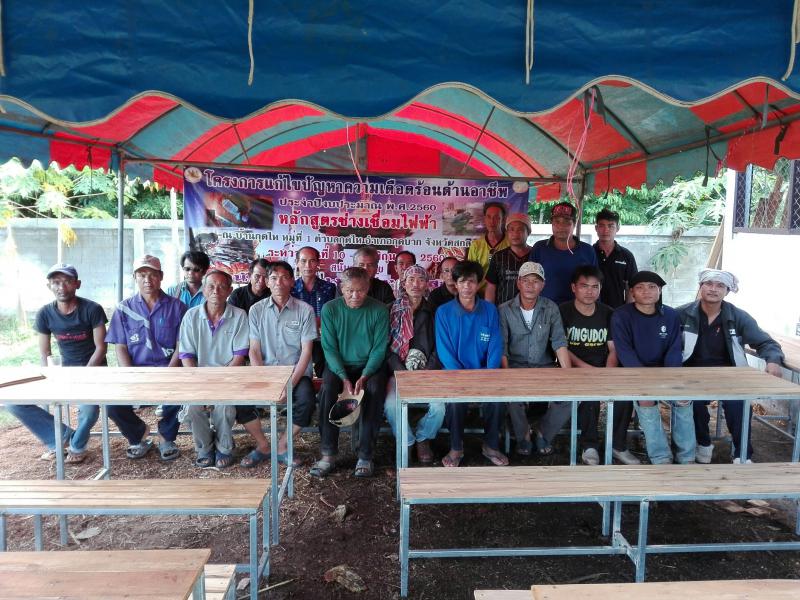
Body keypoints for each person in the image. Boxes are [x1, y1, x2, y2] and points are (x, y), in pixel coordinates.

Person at [678, 269, 785, 464]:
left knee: (739, 405)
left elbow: (766, 342)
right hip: (691, 375)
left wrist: (773, 361)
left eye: (720, 286)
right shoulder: (682, 314)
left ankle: (742, 453)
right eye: (708, 284)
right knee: (691, 404)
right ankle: (703, 444)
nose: (713, 289)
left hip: (731, 376)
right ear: (700, 286)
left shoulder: (738, 316)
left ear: (727, 291)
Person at [7, 264, 107, 463]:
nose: (61, 287)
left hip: (94, 372)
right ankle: (61, 438)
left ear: (77, 284)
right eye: (56, 282)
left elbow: (101, 348)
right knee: (13, 403)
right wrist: (48, 377)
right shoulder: (45, 313)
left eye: (67, 281)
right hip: (63, 374)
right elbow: (45, 353)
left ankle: (77, 445)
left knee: (89, 410)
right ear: (49, 286)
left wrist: (85, 375)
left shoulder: (92, 309)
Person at [105, 255, 187, 461]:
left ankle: (166, 438)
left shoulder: (177, 307)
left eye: (152, 274)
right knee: (111, 404)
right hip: (136, 371)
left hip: (168, 369)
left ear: (161, 276)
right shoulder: (124, 309)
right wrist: (130, 374)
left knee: (182, 395)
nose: (147, 280)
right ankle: (138, 435)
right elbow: (120, 346)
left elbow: (181, 345)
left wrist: (171, 372)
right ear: (135, 277)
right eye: (142, 275)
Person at [314, 267, 390, 478]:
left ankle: (365, 455)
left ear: (368, 288)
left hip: (369, 365)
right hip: (339, 365)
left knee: (374, 390)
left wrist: (365, 375)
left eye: (360, 290)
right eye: (350, 291)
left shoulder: (379, 310)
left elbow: (379, 349)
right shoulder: (330, 309)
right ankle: (328, 453)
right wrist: (343, 377)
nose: (355, 295)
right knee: (328, 389)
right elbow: (329, 348)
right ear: (342, 288)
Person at [611, 271, 692, 465]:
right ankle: (661, 456)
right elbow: (624, 352)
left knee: (683, 398)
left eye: (652, 287)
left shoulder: (670, 315)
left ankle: (686, 456)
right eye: (640, 287)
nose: (646, 291)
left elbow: (674, 349)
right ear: (632, 292)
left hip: (665, 371)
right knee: (646, 399)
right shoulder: (621, 315)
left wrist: (671, 379)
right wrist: (645, 379)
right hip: (634, 373)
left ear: (660, 290)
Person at [435, 260, 506, 467]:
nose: (467, 286)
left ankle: (491, 446)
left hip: (485, 373)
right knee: (455, 402)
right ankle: (456, 447)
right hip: (454, 374)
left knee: (498, 400)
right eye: (462, 281)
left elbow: (495, 346)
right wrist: (462, 378)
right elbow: (444, 352)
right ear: (455, 284)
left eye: (472, 281)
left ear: (479, 283)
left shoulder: (490, 310)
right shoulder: (443, 312)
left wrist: (488, 374)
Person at [498, 262, 572, 457]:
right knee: (512, 397)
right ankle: (523, 436)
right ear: (518, 283)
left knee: (570, 397)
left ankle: (542, 433)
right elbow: (502, 347)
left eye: (536, 281)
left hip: (544, 367)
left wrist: (569, 376)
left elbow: (559, 342)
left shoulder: (551, 308)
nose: (530, 285)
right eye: (526, 280)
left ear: (543, 285)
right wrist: (506, 375)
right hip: (515, 367)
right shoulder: (504, 310)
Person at [248, 261, 317, 467]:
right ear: (267, 282)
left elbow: (306, 352)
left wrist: (288, 386)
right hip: (265, 373)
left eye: (285, 277)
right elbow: (254, 350)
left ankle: (282, 445)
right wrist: (266, 381)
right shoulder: (256, 310)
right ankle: (263, 445)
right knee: (241, 402)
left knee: (307, 401)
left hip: (296, 373)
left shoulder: (305, 310)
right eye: (274, 278)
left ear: (292, 282)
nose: (279, 282)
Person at [180, 270, 249, 468]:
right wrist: (200, 383)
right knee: (192, 408)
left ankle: (225, 447)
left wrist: (220, 383)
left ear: (229, 290)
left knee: (225, 407)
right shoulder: (191, 316)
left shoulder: (239, 315)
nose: (216, 291)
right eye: (211, 286)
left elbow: (239, 357)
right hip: (198, 378)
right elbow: (187, 356)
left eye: (221, 287)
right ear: (203, 289)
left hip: (229, 377)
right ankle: (205, 447)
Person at [559, 265, 618, 465]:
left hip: (600, 368)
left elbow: (613, 349)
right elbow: (560, 347)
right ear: (573, 288)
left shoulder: (608, 313)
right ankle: (589, 444)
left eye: (595, 287)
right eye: (584, 286)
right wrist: (588, 370)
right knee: (589, 397)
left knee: (607, 397)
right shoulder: (563, 311)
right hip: (570, 368)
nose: (589, 291)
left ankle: (606, 445)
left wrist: (607, 373)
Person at [384, 265, 442, 464]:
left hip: (427, 372)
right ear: (403, 283)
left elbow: (440, 346)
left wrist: (427, 370)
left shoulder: (434, 312)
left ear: (427, 284)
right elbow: (383, 346)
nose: (416, 284)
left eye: (421, 280)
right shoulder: (390, 310)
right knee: (391, 405)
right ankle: (406, 440)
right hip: (397, 372)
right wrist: (400, 371)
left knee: (439, 407)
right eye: (411, 280)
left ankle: (423, 438)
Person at [530, 202, 598, 305]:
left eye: (567, 222)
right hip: (545, 310)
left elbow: (595, 284)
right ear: (552, 224)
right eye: (557, 222)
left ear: (574, 224)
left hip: (578, 310)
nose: (561, 226)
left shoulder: (587, 251)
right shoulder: (539, 248)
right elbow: (530, 282)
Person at [292, 245, 338, 377]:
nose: (308, 265)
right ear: (297, 263)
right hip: (297, 341)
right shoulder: (290, 289)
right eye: (303, 261)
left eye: (312, 261)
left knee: (326, 374)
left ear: (318, 263)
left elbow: (333, 317)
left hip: (322, 341)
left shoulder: (329, 288)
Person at [593, 207, 638, 308]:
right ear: (596, 228)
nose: (606, 230)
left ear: (617, 228)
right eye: (602, 225)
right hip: (592, 310)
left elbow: (631, 287)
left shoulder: (626, 256)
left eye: (610, 226)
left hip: (617, 310)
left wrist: (628, 312)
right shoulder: (589, 253)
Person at [485, 212, 532, 305]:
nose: (515, 233)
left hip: (530, 311)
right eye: (511, 229)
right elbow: (491, 287)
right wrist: (490, 310)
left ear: (528, 233)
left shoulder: (536, 255)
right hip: (503, 310)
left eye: (520, 229)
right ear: (506, 233)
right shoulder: (498, 257)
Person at [466, 201, 509, 293]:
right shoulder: (476, 245)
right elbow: (470, 273)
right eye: (489, 217)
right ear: (484, 219)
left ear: (503, 219)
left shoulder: (511, 243)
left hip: (504, 293)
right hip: (480, 293)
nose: (492, 221)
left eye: (496, 217)